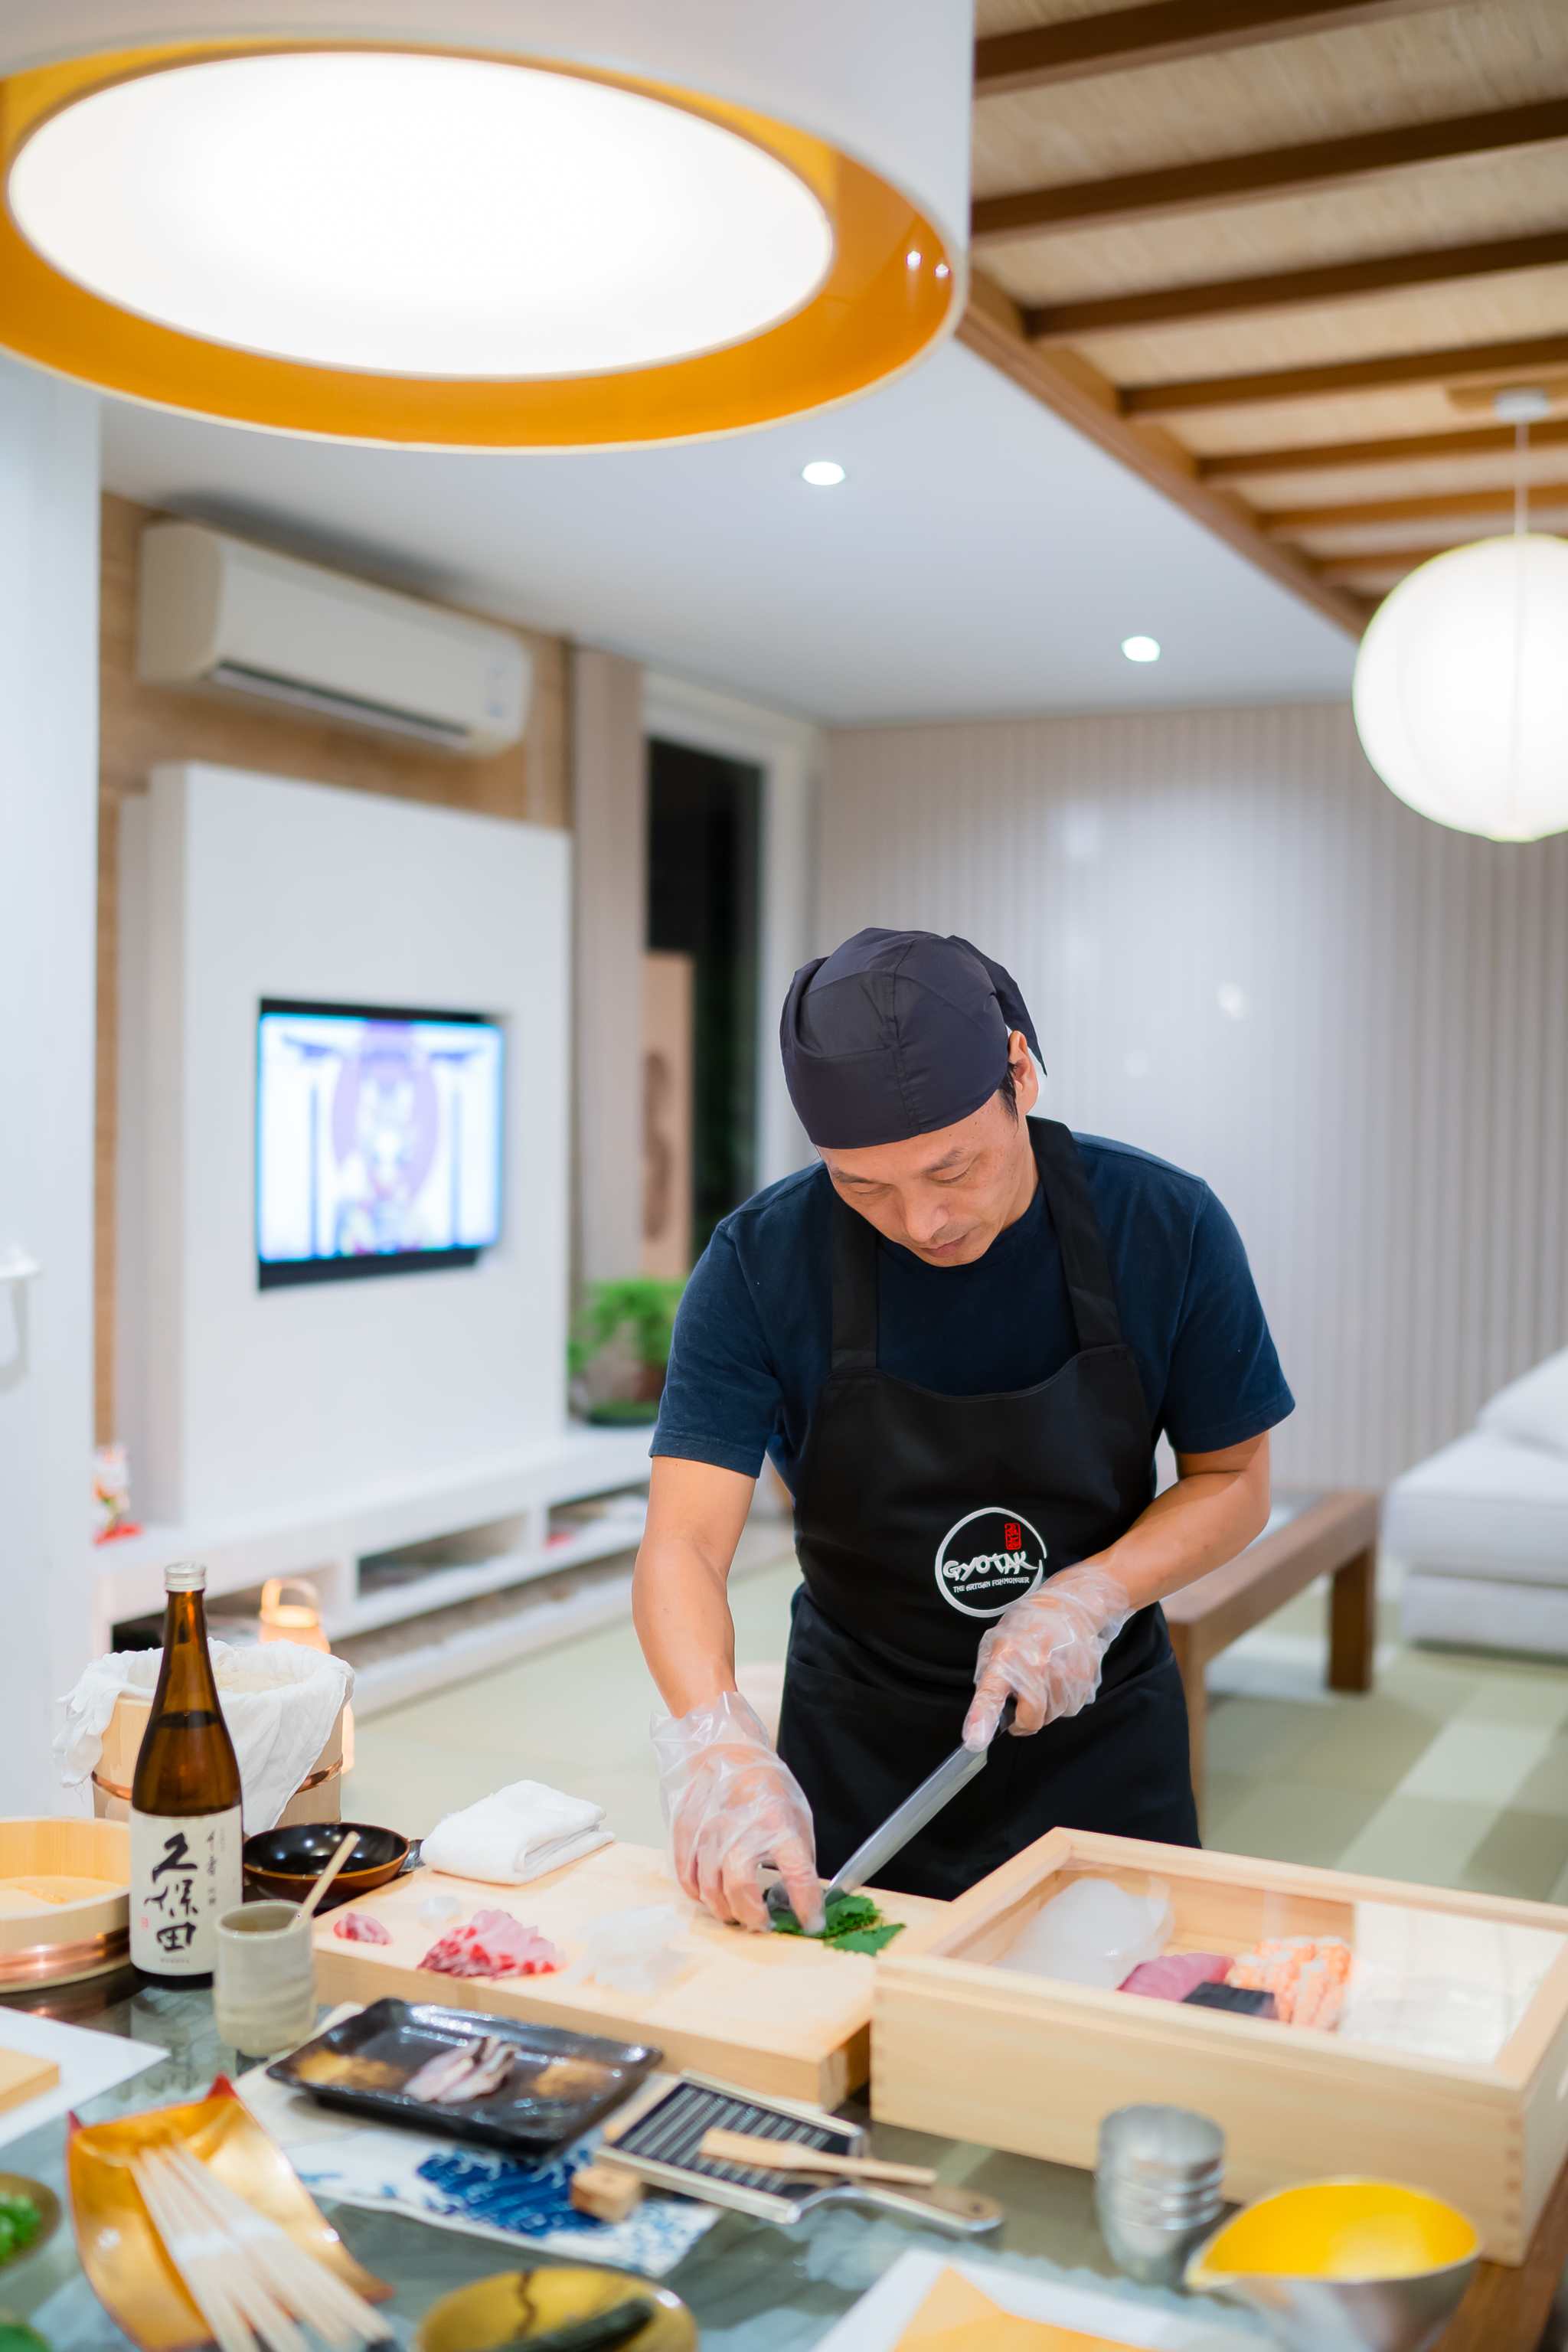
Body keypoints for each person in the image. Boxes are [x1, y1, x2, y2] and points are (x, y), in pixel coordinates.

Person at [634, 928, 1293, 1933]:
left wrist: (1092, 1596)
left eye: (953, 1170)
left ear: (1019, 1073)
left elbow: (1235, 1477)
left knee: (1124, 2005)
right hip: (859, 1748)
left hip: (1101, 1736)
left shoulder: (1166, 1225)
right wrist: (716, 1743)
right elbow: (681, 1542)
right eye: (864, 1186)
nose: (921, 1223)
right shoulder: (761, 1264)